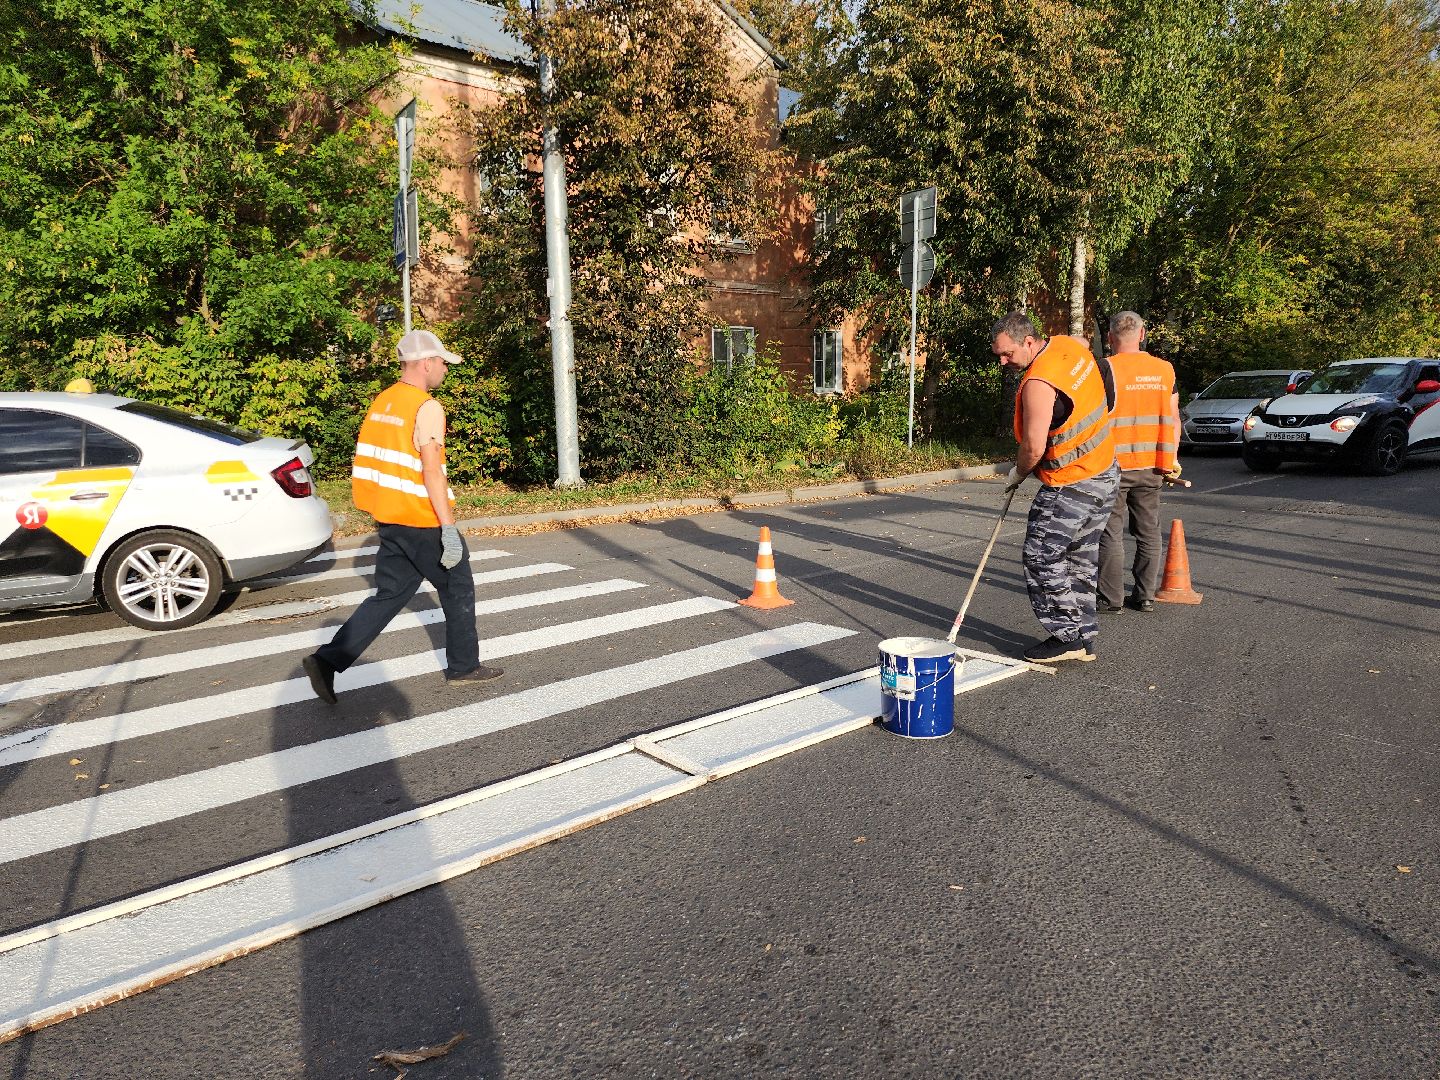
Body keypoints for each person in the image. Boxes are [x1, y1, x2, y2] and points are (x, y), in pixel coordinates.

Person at [303, 329, 502, 703]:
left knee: (390, 594)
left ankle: (327, 661)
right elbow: (431, 471)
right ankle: (464, 667)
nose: (445, 369)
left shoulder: (384, 401)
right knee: (458, 586)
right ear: (426, 363)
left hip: (390, 518)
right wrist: (448, 528)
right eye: (442, 362)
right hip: (422, 519)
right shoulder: (426, 407)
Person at [991, 312, 1120, 664]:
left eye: (1007, 354)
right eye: (999, 355)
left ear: (1028, 341)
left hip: (1070, 483)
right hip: (1105, 471)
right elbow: (1086, 346)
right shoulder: (1067, 345)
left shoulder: (1038, 383)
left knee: (1040, 555)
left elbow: (1033, 447)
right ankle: (1083, 635)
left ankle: (1067, 636)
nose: (1003, 362)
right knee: (1080, 556)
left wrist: (1018, 473)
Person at [1096, 311, 1182, 614]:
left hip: (1113, 465)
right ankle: (1145, 596)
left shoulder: (1105, 368)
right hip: (1153, 464)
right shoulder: (1165, 369)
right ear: (1143, 334)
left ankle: (1111, 599)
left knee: (1111, 533)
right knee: (1148, 531)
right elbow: (1174, 418)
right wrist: (1172, 458)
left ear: (1110, 337)